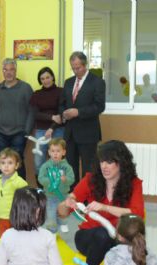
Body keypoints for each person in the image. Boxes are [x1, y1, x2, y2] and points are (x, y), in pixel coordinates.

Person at [57, 140, 144, 265]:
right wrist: (66, 203)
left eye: (109, 162)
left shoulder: (133, 183)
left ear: (121, 163)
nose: (104, 166)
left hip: (117, 239)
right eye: (102, 161)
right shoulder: (90, 180)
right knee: (102, 234)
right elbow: (62, 213)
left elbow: (137, 214)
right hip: (87, 238)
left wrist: (105, 207)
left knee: (111, 238)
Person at [59, 51, 106, 185]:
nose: (75, 70)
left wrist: (78, 112)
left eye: (78, 67)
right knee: (70, 169)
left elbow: (99, 106)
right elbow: (61, 104)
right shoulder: (68, 82)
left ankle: (87, 200)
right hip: (70, 133)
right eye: (73, 68)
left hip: (88, 133)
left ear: (85, 65)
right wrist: (64, 113)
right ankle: (74, 198)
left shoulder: (97, 82)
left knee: (88, 169)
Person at [0, 58, 34, 179]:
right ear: (3, 71)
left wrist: (27, 130)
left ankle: (20, 192)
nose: (8, 72)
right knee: (2, 161)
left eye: (11, 69)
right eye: (5, 70)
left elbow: (32, 111)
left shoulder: (25, 88)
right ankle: (2, 190)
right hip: (0, 132)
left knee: (17, 160)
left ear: (16, 71)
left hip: (19, 133)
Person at [30, 67, 64, 177]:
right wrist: (51, 117)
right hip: (41, 132)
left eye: (48, 77)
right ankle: (41, 191)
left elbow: (61, 114)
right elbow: (35, 114)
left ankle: (56, 190)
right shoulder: (36, 94)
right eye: (42, 78)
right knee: (38, 163)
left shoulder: (61, 92)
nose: (46, 80)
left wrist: (52, 128)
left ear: (53, 77)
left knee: (57, 163)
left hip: (58, 130)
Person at [0, 148, 28, 237]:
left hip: (15, 217)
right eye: (3, 163)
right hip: (2, 216)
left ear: (16, 165)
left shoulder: (19, 182)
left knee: (15, 236)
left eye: (10, 163)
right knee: (3, 236)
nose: (6, 166)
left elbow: (26, 199)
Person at [37, 138, 74, 234]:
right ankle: (52, 230)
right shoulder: (46, 166)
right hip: (50, 196)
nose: (55, 154)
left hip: (64, 195)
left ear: (64, 152)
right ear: (49, 152)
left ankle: (63, 223)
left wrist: (66, 179)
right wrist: (50, 181)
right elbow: (41, 178)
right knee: (51, 214)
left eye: (58, 151)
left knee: (63, 213)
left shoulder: (67, 167)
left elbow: (72, 179)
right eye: (53, 151)